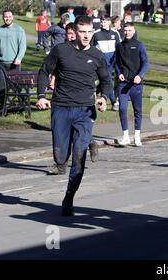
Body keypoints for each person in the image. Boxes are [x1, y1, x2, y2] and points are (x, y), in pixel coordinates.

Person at [36, 15, 111, 216]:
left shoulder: (97, 55)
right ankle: (83, 145)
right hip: (61, 108)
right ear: (74, 32)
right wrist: (42, 96)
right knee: (61, 157)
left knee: (78, 157)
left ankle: (69, 197)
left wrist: (104, 97)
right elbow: (44, 71)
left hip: (85, 110)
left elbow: (106, 80)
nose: (86, 36)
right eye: (82, 32)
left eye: (89, 32)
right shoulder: (61, 50)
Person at [47, 22, 100, 174]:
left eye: (72, 34)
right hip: (64, 101)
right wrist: (52, 79)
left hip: (85, 97)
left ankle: (87, 145)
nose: (70, 36)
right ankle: (62, 163)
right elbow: (59, 68)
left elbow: (100, 75)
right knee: (65, 134)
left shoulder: (93, 53)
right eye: (68, 34)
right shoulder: (63, 50)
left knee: (79, 133)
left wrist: (101, 96)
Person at [115, 23, 149, 147]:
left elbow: (146, 63)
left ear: (134, 31)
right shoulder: (119, 46)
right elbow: (116, 63)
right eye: (125, 30)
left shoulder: (140, 45)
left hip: (136, 84)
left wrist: (140, 75)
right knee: (122, 108)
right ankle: (125, 136)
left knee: (137, 110)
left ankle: (137, 136)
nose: (127, 32)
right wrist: (119, 74)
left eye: (130, 30)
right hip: (123, 84)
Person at [0, 9, 27, 112]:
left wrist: (19, 58)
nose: (8, 18)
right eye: (6, 16)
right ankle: (3, 107)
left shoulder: (19, 30)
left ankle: (22, 104)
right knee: (1, 86)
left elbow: (22, 47)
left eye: (9, 16)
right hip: (1, 63)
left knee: (16, 87)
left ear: (13, 17)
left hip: (14, 64)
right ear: (3, 17)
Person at [92, 15, 121, 111]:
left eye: (104, 21)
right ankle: (114, 102)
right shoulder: (96, 34)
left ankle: (93, 97)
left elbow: (119, 47)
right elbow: (91, 48)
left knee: (103, 81)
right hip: (101, 62)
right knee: (108, 81)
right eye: (102, 21)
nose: (102, 23)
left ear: (109, 22)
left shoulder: (115, 33)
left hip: (112, 62)